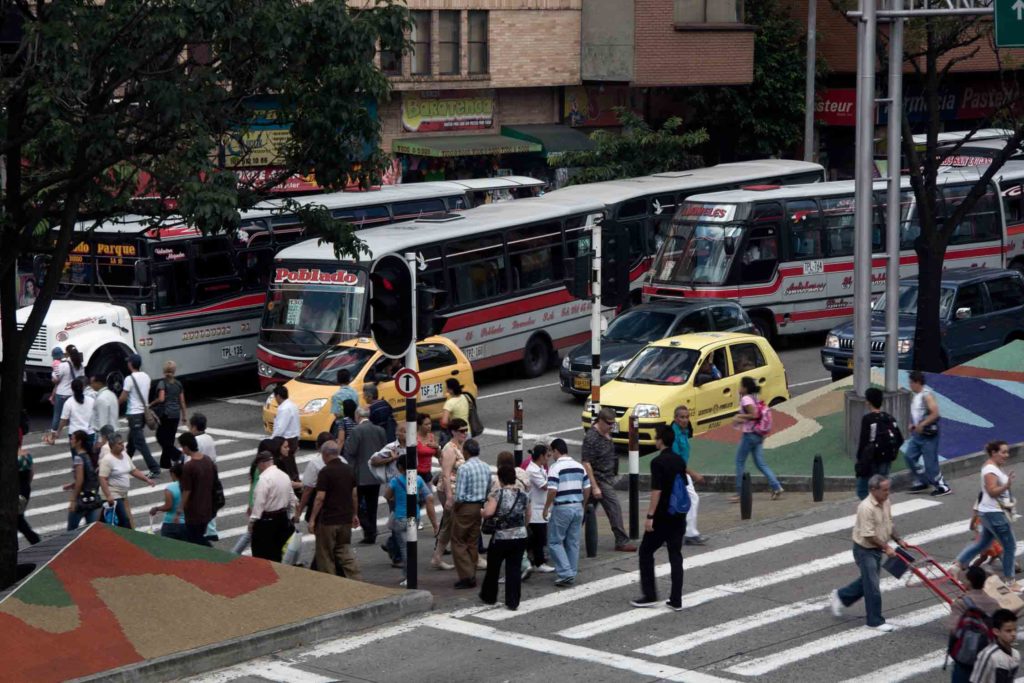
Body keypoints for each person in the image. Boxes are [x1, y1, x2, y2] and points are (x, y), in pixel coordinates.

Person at [829, 474, 905, 632]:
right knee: (872, 586)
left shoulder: (885, 502)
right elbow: (868, 535)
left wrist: (898, 540)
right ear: (873, 490)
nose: (887, 493)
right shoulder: (866, 507)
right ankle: (874, 621)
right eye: (884, 490)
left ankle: (841, 596)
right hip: (865, 550)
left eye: (888, 489)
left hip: (876, 549)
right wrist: (887, 548)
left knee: (868, 581)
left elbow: (889, 523)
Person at [632, 425, 688, 609]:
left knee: (646, 551)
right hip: (678, 515)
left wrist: (650, 516)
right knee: (675, 555)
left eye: (656, 437)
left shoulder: (657, 463)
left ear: (661, 440)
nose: (655, 440)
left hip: (662, 516)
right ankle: (676, 599)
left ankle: (650, 595)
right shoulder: (679, 460)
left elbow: (657, 491)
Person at [954, 441, 1019, 590]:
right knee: (1010, 546)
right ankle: (1010, 580)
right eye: (1003, 452)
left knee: (983, 543)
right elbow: (991, 491)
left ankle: (957, 566)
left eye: (1007, 452)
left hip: (988, 512)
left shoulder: (992, 466)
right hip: (994, 513)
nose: (1006, 455)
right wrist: (1006, 486)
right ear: (994, 452)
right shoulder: (990, 469)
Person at [581, 407, 635, 552]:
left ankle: (565, 537)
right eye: (609, 423)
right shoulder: (591, 437)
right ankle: (622, 541)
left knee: (582, 512)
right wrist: (594, 486)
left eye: (613, 423)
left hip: (606, 478)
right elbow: (586, 463)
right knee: (614, 508)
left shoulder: (606, 433)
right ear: (600, 420)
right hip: (599, 479)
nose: (612, 426)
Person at [480, 464, 531, 610]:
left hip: (501, 537)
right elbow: (528, 514)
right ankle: (513, 601)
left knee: (493, 567)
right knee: (514, 569)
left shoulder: (497, 494)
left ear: (501, 479)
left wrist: (481, 512)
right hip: (520, 535)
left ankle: (489, 596)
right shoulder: (524, 495)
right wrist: (522, 528)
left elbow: (489, 513)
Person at [309, 441, 361, 578]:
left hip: (329, 520)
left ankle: (331, 583)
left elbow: (320, 498)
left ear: (325, 455)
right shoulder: (349, 469)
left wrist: (312, 519)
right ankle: (356, 577)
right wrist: (355, 514)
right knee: (344, 550)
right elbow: (354, 495)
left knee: (325, 554)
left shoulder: (325, 472)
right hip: (346, 519)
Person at [544, 438, 591, 587]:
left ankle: (565, 573)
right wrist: (583, 504)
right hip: (577, 506)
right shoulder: (579, 466)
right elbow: (587, 487)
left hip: (562, 507)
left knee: (555, 542)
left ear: (556, 451)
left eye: (552, 451)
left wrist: (546, 507)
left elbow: (552, 490)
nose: (551, 455)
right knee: (573, 542)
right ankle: (571, 572)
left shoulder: (555, 468)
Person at [384, 458, 438, 586]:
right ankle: (412, 574)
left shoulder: (395, 481)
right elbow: (429, 496)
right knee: (412, 545)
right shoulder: (417, 479)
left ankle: (409, 576)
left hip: (401, 516)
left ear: (400, 468)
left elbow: (387, 495)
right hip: (414, 516)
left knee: (404, 548)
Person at [731, 376, 784, 502]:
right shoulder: (754, 398)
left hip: (750, 435)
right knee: (760, 463)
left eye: (740, 385)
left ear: (745, 388)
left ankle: (740, 492)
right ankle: (776, 486)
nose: (738, 388)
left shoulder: (745, 399)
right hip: (759, 434)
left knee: (739, 461)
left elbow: (754, 414)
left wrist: (739, 416)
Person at [948, 566, 1002, 683]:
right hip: (988, 657)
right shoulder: (994, 603)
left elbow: (954, 629)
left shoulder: (961, 603)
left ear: (969, 582)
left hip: (966, 658)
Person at [343, 405, 388, 543]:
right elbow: (384, 449)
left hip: (360, 475)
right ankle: (371, 534)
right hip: (376, 474)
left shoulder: (357, 431)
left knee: (354, 504)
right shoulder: (380, 430)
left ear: (358, 416)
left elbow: (350, 451)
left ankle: (369, 529)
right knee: (372, 506)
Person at [451, 438, 490, 589]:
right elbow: (488, 489)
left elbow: (459, 495)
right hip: (479, 507)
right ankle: (472, 572)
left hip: (465, 507)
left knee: (458, 541)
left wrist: (456, 508)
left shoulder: (464, 468)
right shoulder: (485, 467)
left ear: (466, 452)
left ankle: (467, 576)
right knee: (472, 542)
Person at [905, 370, 951, 496]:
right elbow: (917, 414)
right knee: (909, 456)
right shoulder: (916, 396)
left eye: (911, 383)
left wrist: (922, 424)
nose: (910, 385)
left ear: (918, 382)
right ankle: (922, 481)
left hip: (928, 436)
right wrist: (912, 424)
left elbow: (935, 413)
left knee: (930, 464)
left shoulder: (927, 395)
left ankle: (943, 487)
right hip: (918, 435)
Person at [432, 417, 469, 571]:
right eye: (461, 431)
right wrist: (449, 497)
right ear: (453, 431)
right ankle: (466, 556)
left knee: (448, 525)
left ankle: (438, 557)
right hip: (449, 491)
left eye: (466, 430)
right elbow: (446, 474)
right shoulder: (450, 448)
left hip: (457, 490)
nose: (465, 433)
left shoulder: (461, 446)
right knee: (454, 524)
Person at [854, 387, 903, 500]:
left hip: (871, 460)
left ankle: (872, 513)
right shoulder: (889, 418)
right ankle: (882, 512)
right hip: (886, 459)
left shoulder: (868, 419)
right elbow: (900, 439)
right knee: (882, 489)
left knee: (862, 491)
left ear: (868, 402)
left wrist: (860, 461)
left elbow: (864, 442)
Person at [249, 450, 297, 562]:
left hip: (266, 521)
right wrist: (291, 515)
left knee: (261, 553)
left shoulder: (264, 479)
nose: (258, 468)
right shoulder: (284, 475)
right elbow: (292, 499)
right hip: (282, 519)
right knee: (277, 552)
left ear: (262, 463)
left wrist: (252, 522)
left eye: (258, 465)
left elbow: (259, 503)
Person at [99, 433, 154, 528]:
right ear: (112, 446)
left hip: (123, 493)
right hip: (113, 493)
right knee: (124, 519)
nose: (122, 445)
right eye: (119, 444)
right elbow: (102, 478)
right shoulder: (107, 460)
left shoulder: (124, 455)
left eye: (122, 443)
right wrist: (108, 495)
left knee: (109, 520)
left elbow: (133, 470)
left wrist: (146, 479)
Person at [671, 406, 708, 545]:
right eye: (682, 417)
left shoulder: (683, 431)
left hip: (680, 471)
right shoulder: (673, 434)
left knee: (674, 503)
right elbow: (676, 459)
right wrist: (693, 473)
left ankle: (682, 532)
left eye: (687, 417)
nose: (685, 420)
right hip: (674, 472)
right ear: (675, 418)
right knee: (692, 499)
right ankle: (690, 534)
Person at [120, 353, 160, 478]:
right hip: (143, 412)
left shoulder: (129, 379)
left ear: (131, 364)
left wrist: (114, 404)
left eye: (128, 362)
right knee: (132, 440)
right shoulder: (146, 377)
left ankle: (154, 468)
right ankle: (125, 463)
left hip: (134, 414)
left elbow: (124, 396)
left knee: (140, 443)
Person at [178, 432, 218, 547]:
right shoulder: (207, 460)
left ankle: (211, 552)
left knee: (194, 539)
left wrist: (180, 508)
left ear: (186, 447)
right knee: (198, 536)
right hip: (208, 508)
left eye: (182, 446)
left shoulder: (189, 466)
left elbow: (187, 490)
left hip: (194, 511)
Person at [150, 360, 187, 468]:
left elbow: (161, 399)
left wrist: (151, 403)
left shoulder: (162, 383)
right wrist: (184, 416)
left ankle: (178, 455)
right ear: (174, 371)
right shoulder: (178, 384)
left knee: (160, 436)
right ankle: (165, 463)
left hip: (166, 414)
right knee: (169, 438)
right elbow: (182, 402)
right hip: (176, 414)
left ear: (164, 370)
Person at [525, 443, 554, 572]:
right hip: (536, 510)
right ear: (541, 456)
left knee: (539, 538)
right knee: (538, 538)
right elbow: (545, 486)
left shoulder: (539, 468)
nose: (548, 458)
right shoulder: (533, 470)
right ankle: (539, 563)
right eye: (547, 455)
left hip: (541, 509)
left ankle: (537, 561)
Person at [971, 609, 1020, 683]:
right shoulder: (988, 655)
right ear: (996, 631)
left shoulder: (1016, 654)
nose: (1013, 634)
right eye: (1008, 631)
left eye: (1015, 630)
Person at [48, 345, 85, 444]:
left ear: (67, 353)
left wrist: (53, 378)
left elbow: (55, 379)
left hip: (61, 394)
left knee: (57, 415)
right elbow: (82, 379)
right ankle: (75, 438)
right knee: (73, 417)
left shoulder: (62, 365)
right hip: (73, 394)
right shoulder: (80, 365)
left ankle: (52, 438)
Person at [66, 430, 102, 529]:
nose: (71, 441)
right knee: (90, 532)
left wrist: (73, 499)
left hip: (81, 501)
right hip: (93, 499)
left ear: (79, 442)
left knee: (71, 532)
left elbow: (80, 480)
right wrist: (72, 484)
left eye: (73, 439)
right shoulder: (90, 456)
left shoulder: (78, 459)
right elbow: (90, 477)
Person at [56, 378, 96, 455]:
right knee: (90, 457)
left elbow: (63, 420)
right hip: (89, 433)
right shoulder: (91, 401)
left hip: (74, 434)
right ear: (83, 388)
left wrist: (58, 432)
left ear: (72, 389)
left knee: (77, 459)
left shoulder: (69, 402)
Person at [150, 463, 187, 540]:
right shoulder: (192, 486)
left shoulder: (170, 488)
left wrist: (156, 509)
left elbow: (168, 507)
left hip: (171, 523)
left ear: (173, 474)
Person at [17, 446, 40, 545]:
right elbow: (31, 473)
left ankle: (34, 539)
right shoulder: (27, 455)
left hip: (16, 490)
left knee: (17, 519)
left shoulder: (11, 458)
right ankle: (34, 539)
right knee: (18, 517)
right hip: (25, 489)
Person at [270, 385, 300, 456]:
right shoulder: (293, 405)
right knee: (290, 462)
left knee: (285, 463)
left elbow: (280, 427)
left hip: (286, 441)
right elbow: (297, 424)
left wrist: (272, 439)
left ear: (278, 396)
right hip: (294, 439)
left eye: (275, 397)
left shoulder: (284, 409)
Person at [330, 369, 360, 435]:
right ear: (349, 379)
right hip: (354, 424)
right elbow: (358, 409)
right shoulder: (354, 392)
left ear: (338, 380)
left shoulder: (336, 395)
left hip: (341, 427)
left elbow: (337, 414)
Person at [416, 413, 440, 485]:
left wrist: (437, 447)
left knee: (429, 495)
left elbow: (438, 456)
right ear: (419, 425)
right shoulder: (414, 438)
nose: (429, 426)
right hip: (416, 473)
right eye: (426, 424)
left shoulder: (431, 437)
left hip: (427, 473)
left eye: (430, 423)